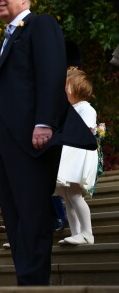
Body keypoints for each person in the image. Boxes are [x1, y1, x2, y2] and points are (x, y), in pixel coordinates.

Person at [0, 0, 96, 285]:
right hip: (3, 139)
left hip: (30, 133)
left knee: (32, 210)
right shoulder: (5, 38)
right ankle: (25, 281)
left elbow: (51, 72)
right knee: (13, 214)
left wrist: (44, 121)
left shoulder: (40, 25)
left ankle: (35, 286)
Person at [56, 69, 98, 245]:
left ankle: (87, 232)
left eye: (65, 87)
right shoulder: (72, 109)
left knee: (74, 195)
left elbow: (86, 131)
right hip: (72, 154)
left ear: (72, 89)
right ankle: (76, 232)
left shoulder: (85, 108)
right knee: (68, 196)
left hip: (79, 156)